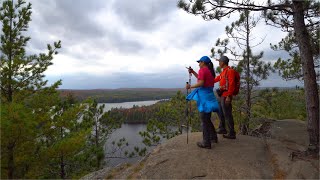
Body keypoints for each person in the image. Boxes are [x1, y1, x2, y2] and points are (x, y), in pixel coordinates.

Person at [186, 56, 219, 149]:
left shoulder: (202, 70)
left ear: (203, 62)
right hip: (209, 96)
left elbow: (201, 83)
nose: (198, 63)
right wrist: (193, 72)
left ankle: (206, 142)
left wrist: (190, 86)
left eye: (199, 62)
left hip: (204, 98)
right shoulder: (210, 72)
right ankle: (213, 137)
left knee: (204, 120)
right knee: (207, 118)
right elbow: (201, 79)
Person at [214, 56, 236, 139]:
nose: (219, 63)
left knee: (227, 114)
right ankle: (222, 128)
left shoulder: (230, 71)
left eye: (219, 61)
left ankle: (232, 133)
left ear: (223, 62)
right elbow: (215, 79)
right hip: (221, 95)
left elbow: (232, 85)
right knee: (220, 112)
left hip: (226, 96)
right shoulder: (223, 72)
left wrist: (228, 97)